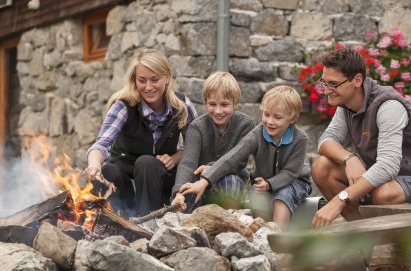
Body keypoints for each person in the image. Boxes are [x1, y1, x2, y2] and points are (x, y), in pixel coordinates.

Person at [311, 47, 411, 228]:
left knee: (383, 193)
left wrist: (340, 200)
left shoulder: (388, 106)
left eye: (333, 84)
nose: (326, 90)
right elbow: (325, 141)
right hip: (388, 181)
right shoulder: (346, 105)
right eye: (324, 83)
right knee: (322, 167)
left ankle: (393, 242)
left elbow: (388, 165)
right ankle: (364, 238)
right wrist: (349, 158)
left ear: (357, 80)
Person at [174, 85, 311, 230]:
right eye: (266, 114)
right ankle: (263, 237)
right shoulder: (257, 133)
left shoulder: (300, 138)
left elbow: (290, 172)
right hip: (263, 185)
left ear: (293, 119)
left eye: (277, 117)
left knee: (282, 197)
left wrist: (269, 184)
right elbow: (233, 156)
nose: (270, 121)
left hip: (295, 181)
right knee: (257, 198)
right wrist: (204, 181)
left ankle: (279, 237)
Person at [84, 48, 197, 216]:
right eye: (142, 80)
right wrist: (94, 165)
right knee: (108, 171)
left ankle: (146, 221)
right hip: (124, 178)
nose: (148, 87)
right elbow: (101, 144)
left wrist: (174, 158)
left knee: (147, 163)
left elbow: (195, 145)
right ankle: (114, 219)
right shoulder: (123, 106)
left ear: (167, 77)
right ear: (134, 80)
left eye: (155, 79)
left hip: (160, 180)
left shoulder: (181, 106)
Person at [171, 71, 256, 212]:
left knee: (231, 181)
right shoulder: (197, 126)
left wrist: (211, 167)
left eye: (224, 104)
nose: (218, 110)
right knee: (185, 193)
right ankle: (188, 224)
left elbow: (238, 162)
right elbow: (188, 163)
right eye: (212, 104)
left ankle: (229, 223)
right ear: (205, 102)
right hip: (199, 182)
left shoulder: (246, 125)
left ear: (235, 103)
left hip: (230, 181)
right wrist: (178, 192)